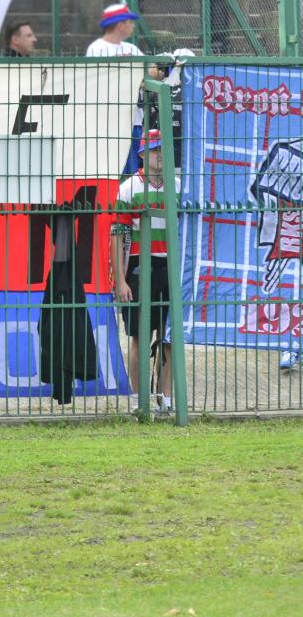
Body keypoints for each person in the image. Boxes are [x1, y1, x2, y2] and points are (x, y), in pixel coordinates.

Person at [110, 129, 173, 412]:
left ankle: (166, 398)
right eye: (156, 149)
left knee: (169, 336)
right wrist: (120, 280)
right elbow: (117, 235)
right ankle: (138, 399)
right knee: (139, 335)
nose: (161, 155)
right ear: (142, 154)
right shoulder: (128, 188)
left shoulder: (177, 186)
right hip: (138, 265)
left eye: (163, 149)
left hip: (170, 265)